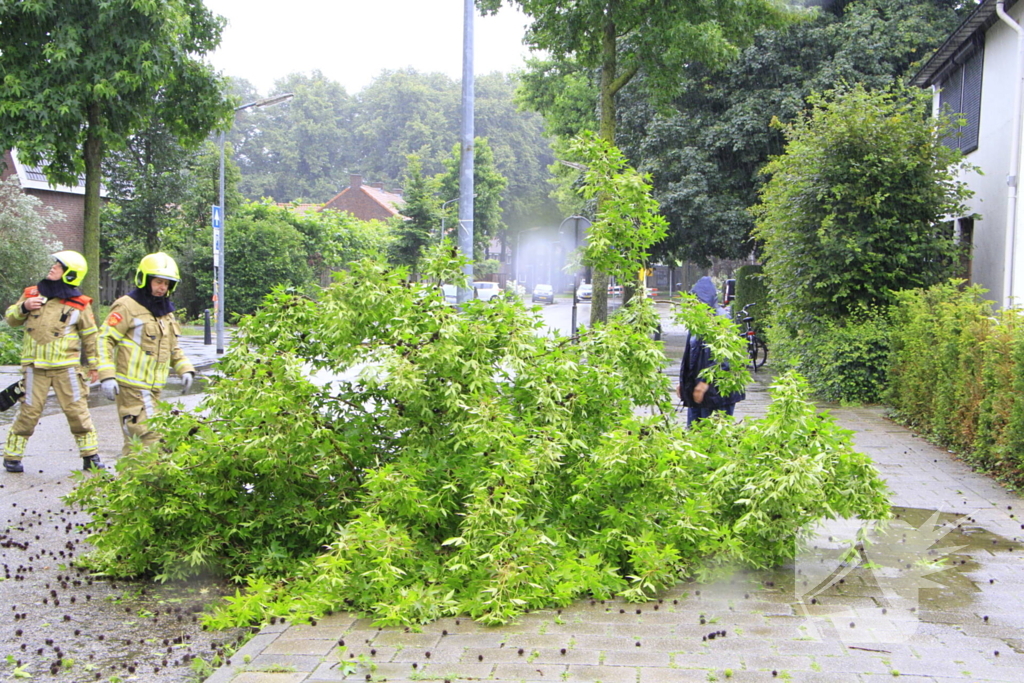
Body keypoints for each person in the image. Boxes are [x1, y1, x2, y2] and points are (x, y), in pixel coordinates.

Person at [2, 251, 104, 472]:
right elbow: (11, 319)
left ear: (70, 274)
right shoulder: (32, 294)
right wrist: (24, 307)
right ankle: (12, 457)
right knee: (29, 413)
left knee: (77, 412)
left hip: (66, 369)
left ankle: (91, 457)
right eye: (55, 263)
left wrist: (94, 366)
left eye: (59, 265)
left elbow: (90, 336)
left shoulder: (80, 304)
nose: (53, 267)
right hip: (34, 369)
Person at [98, 252, 195, 456]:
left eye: (167, 284)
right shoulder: (127, 306)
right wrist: (106, 376)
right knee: (150, 438)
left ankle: (129, 477)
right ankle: (148, 475)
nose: (162, 288)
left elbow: (172, 347)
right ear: (145, 280)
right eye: (158, 282)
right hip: (132, 387)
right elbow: (105, 339)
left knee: (137, 444)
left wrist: (185, 369)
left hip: (153, 389)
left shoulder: (165, 312)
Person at [677, 276, 745, 427]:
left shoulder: (721, 320)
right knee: (694, 433)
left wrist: (704, 383)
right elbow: (691, 355)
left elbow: (725, 359)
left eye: (696, 302)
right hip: (698, 391)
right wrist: (684, 382)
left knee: (713, 434)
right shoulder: (698, 321)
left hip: (718, 393)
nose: (692, 306)